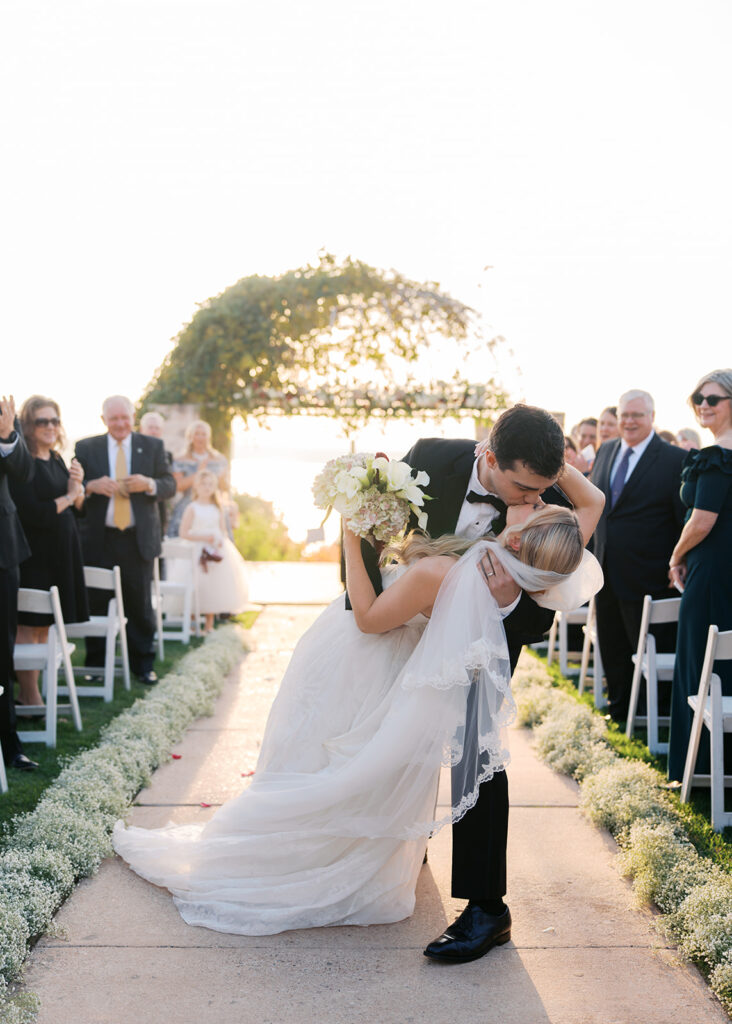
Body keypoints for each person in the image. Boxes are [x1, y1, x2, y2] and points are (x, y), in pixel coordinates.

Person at [113, 460, 603, 943]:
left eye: (536, 502)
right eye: (533, 491)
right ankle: (381, 852)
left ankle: (326, 862)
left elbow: (370, 618)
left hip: (365, 653)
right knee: (355, 763)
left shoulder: (452, 570)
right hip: (402, 652)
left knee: (328, 760)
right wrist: (549, 460)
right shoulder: (500, 561)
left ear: (516, 540)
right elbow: (594, 502)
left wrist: (350, 534)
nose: (535, 498)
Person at [590, 389, 685, 722]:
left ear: (652, 417)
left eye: (637, 415)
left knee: (645, 651)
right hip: (604, 571)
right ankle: (619, 711)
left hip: (647, 575)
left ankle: (651, 716)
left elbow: (680, 519)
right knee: (612, 647)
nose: (629, 422)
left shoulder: (673, 460)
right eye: (624, 415)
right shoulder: (607, 451)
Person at [75, 395, 176, 684]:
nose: (120, 424)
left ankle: (143, 666)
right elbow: (72, 487)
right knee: (97, 603)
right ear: (103, 419)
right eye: (113, 418)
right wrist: (90, 487)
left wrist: (150, 484)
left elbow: (170, 484)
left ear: (133, 417)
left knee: (140, 606)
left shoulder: (153, 446)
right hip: (99, 539)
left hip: (137, 540)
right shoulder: (86, 447)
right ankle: (95, 667)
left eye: (124, 417)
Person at [667, 369, 732, 782]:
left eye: (714, 398)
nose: (704, 405)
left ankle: (700, 768)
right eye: (699, 398)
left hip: (710, 574)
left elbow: (702, 521)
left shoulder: (717, 457)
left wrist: (675, 557)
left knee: (700, 664)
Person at [10, 396, 88, 706]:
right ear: (28, 426)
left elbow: (77, 509)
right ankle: (29, 698)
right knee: (28, 626)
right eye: (42, 421)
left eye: (54, 420)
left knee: (44, 627)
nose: (50, 427)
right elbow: (34, 513)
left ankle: (33, 696)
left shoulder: (56, 458)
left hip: (61, 555)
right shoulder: (23, 465)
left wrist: (78, 489)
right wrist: (70, 497)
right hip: (35, 557)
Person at [0, 394, 39, 771]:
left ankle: (9, 744)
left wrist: (6, 433)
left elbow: (24, 473)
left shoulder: (4, 418)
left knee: (1, 654)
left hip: (2, 555)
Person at [178, 469, 249, 633]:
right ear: (196, 486)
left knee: (213, 587)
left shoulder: (218, 508)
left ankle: (209, 625)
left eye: (210, 484)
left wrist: (218, 541)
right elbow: (184, 532)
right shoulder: (192, 507)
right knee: (198, 585)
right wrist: (203, 537)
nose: (207, 487)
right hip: (196, 551)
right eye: (203, 484)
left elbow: (223, 531)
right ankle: (194, 622)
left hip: (214, 551)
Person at [167, 420, 229, 538]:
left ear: (208, 437)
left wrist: (221, 481)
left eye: (203, 434)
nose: (200, 437)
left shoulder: (219, 460)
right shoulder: (181, 460)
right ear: (190, 437)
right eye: (197, 434)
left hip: (213, 507)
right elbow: (178, 486)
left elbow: (224, 488)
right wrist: (198, 473)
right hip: (188, 506)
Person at [139, 411, 174, 538]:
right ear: (142, 429)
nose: (154, 431)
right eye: (150, 428)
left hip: (158, 510)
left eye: (157, 428)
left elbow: (168, 484)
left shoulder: (167, 455)